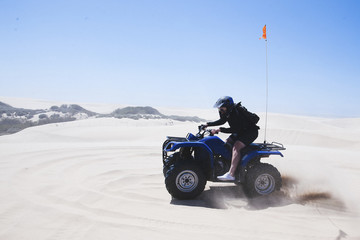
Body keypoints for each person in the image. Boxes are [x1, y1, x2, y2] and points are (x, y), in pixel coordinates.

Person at [203, 96, 259, 181]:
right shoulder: (227, 112)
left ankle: (231, 174)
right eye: (219, 109)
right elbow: (222, 120)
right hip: (241, 131)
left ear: (228, 107)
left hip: (250, 132)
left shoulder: (237, 112)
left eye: (222, 109)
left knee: (236, 146)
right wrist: (208, 124)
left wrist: (220, 129)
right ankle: (226, 164)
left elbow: (234, 129)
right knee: (226, 143)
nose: (220, 111)